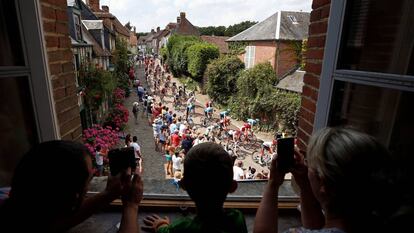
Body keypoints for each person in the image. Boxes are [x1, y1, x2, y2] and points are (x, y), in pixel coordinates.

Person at [254, 127, 407, 233]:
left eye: (310, 164)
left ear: (323, 184)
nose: (307, 168)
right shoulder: (380, 223)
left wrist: (273, 184)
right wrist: (305, 184)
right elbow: (316, 228)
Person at [0, 140, 143, 233]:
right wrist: (131, 206)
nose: (88, 189)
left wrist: (108, 195)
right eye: (89, 181)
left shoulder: (18, 203)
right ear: (73, 198)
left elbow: (49, 224)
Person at [143, 142, 248, 233]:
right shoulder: (237, 218)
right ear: (233, 187)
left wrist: (161, 224)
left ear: (183, 185)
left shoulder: (183, 228)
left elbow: (164, 231)